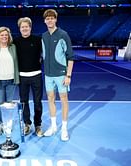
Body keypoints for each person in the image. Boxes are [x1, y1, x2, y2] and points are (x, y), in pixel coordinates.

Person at [42, 9, 74, 141]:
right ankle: (54, 126)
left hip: (61, 74)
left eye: (52, 18)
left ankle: (64, 129)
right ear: (45, 21)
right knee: (50, 99)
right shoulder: (43, 36)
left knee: (64, 99)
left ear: (56, 19)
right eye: (47, 18)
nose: (49, 20)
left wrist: (68, 75)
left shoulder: (63, 35)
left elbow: (70, 57)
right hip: (48, 75)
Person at [13, 17, 43, 137]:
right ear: (20, 29)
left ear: (30, 27)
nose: (24, 28)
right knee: (24, 102)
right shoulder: (15, 42)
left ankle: (38, 125)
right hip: (22, 77)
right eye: (22, 27)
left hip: (36, 76)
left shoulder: (38, 40)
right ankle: (27, 124)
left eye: (26, 26)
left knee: (37, 102)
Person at [0, 26, 19, 135]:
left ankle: (7, 125)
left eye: (6, 35)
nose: (4, 37)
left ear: (8, 36)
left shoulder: (13, 47)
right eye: (2, 35)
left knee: (9, 104)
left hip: (11, 80)